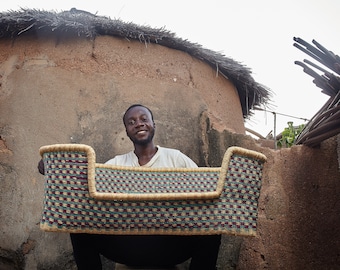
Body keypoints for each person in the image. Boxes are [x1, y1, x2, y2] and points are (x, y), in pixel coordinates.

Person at [39, 104, 221, 270]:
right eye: (131, 122)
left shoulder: (177, 159)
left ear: (153, 124)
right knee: (78, 225)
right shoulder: (116, 164)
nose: (139, 124)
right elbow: (86, 182)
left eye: (143, 119)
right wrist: (54, 166)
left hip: (169, 245)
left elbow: (204, 187)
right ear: (126, 131)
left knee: (213, 230)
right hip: (126, 246)